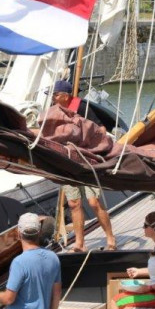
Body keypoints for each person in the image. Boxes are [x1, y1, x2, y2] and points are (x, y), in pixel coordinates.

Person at [49, 80, 117, 252]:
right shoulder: (53, 111)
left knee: (94, 202)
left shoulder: (82, 107)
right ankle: (80, 243)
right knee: (74, 203)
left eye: (55, 94)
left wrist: (93, 148)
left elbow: (101, 129)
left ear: (65, 96)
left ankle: (110, 238)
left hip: (86, 160)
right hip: (66, 161)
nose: (52, 98)